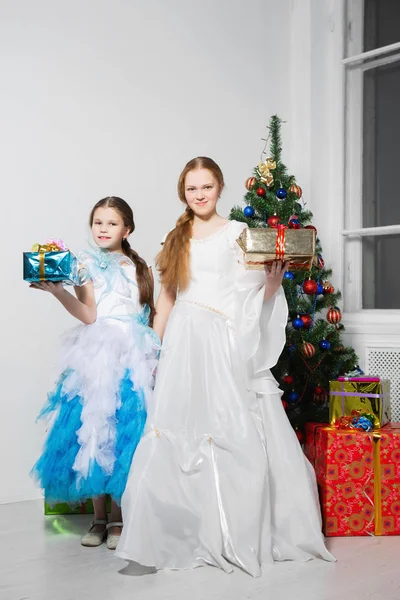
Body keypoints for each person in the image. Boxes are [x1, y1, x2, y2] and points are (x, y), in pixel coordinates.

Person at [116, 158, 334, 575]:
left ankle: (234, 532)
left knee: (230, 427)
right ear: (184, 192)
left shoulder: (239, 234)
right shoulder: (175, 237)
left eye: (208, 187)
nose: (200, 195)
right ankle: (163, 536)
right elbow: (166, 301)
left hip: (222, 340)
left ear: (220, 189)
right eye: (192, 188)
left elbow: (251, 293)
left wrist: (272, 283)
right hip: (183, 340)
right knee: (174, 430)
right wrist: (155, 349)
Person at [30, 196, 159, 550]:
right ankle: (98, 518)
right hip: (97, 353)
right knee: (93, 428)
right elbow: (88, 314)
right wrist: (58, 291)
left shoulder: (139, 266)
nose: (103, 229)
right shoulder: (82, 265)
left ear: (127, 229)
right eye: (98, 222)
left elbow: (147, 314)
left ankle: (118, 517)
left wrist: (153, 355)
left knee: (123, 431)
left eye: (112, 223)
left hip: (131, 353)